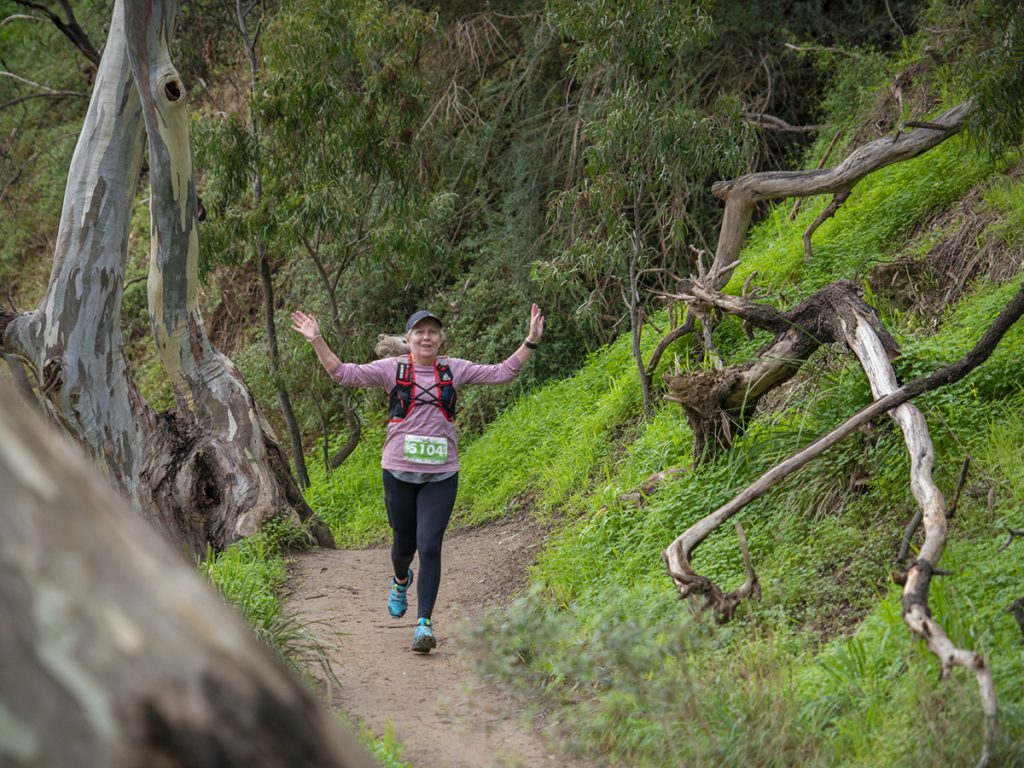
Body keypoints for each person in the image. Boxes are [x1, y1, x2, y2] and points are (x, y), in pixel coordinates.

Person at [290, 304, 545, 652]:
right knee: (403, 547)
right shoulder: (392, 369)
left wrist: (530, 341)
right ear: (408, 339)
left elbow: (502, 372)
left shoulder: (454, 369)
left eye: (433, 332)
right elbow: (342, 373)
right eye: (420, 332)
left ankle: (424, 624)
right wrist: (316, 339)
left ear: (440, 339)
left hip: (441, 475)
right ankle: (400, 580)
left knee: (429, 546)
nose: (427, 337)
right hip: (398, 472)